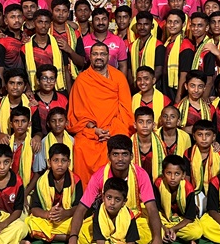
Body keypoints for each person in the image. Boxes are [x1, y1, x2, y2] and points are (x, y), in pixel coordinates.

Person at [64, 135, 164, 244]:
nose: (120, 159)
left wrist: (157, 239)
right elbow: (81, 209)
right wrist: (72, 240)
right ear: (109, 156)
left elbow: (151, 208)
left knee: (155, 231)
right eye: (115, 154)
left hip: (133, 222)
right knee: (82, 234)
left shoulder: (141, 174)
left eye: (124, 154)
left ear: (131, 156)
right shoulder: (99, 176)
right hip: (105, 223)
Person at [67, 42, 134, 185]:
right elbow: (78, 113)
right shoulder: (82, 80)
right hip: (91, 130)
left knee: (118, 145)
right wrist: (94, 129)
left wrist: (111, 129)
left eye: (102, 54)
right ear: (90, 57)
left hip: (114, 128)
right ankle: (86, 193)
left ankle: (115, 189)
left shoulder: (118, 77)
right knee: (80, 147)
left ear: (108, 57)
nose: (99, 57)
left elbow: (125, 109)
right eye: (95, 54)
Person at [78, 177, 158, 244]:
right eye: (109, 197)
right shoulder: (98, 214)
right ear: (103, 197)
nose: (112, 203)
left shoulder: (129, 215)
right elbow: (100, 243)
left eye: (117, 199)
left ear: (124, 202)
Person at [26, 143, 84, 243]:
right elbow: (34, 208)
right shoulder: (41, 182)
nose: (60, 164)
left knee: (83, 225)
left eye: (63, 160)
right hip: (48, 220)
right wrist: (48, 214)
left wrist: (65, 213)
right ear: (49, 162)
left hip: (67, 218)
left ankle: (48, 236)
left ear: (69, 162)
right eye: (55, 160)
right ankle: (66, 237)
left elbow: (80, 207)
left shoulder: (75, 180)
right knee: (30, 222)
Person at [0, 68, 43, 149]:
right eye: (12, 83)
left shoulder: (31, 106)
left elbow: (38, 130)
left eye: (19, 84)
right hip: (2, 148)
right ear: (6, 86)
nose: (15, 87)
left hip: (26, 148)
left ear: (24, 87)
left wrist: (37, 137)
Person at [153, 155, 202, 244]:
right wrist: (163, 227)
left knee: (197, 232)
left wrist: (173, 228)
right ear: (163, 173)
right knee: (148, 219)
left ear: (183, 175)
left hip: (181, 219)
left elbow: (189, 217)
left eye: (177, 174)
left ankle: (168, 234)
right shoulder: (158, 184)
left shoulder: (188, 188)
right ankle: (177, 236)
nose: (172, 177)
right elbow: (155, 211)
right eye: (168, 173)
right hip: (163, 218)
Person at [22, 9, 69, 92]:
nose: (43, 25)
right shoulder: (25, 48)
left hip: (57, 89)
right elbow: (24, 73)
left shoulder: (59, 45)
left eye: (46, 22)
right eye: (40, 22)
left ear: (50, 24)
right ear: (34, 23)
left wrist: (68, 93)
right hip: (35, 91)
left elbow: (65, 70)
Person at [82, 7, 128, 76]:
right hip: (90, 81)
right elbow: (81, 65)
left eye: (104, 19)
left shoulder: (118, 41)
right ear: (92, 22)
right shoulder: (84, 41)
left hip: (112, 81)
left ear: (108, 21)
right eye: (97, 19)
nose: (101, 22)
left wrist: (121, 81)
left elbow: (123, 66)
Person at [50, 0, 86, 83]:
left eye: (64, 11)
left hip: (71, 80)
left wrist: (69, 50)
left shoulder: (75, 34)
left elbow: (81, 63)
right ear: (52, 11)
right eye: (57, 10)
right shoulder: (45, 31)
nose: (61, 14)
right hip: (49, 79)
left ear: (68, 14)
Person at [162, 9, 194, 102]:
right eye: (169, 22)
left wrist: (178, 97)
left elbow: (184, 73)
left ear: (183, 25)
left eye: (176, 22)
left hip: (176, 90)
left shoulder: (186, 45)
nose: (172, 25)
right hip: (165, 85)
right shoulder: (167, 42)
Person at [184, 120, 220, 197]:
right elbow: (186, 177)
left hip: (216, 192)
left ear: (214, 137)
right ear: (194, 136)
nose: (204, 138)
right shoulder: (188, 153)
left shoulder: (219, 153)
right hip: (194, 192)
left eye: (208, 135)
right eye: (200, 135)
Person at [128, 11, 165, 88]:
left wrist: (146, 85)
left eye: (146, 24)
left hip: (153, 87)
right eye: (139, 24)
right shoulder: (131, 46)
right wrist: (134, 85)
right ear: (136, 26)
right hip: (135, 87)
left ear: (152, 26)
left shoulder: (158, 45)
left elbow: (159, 70)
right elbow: (129, 69)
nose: (142, 27)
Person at [131, 107, 166, 181]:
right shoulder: (129, 145)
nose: (145, 125)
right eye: (141, 122)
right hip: (134, 183)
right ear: (135, 125)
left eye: (148, 122)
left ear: (153, 125)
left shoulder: (161, 144)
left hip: (156, 184)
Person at [0, 4, 25, 82]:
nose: (17, 20)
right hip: (9, 84)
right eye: (12, 17)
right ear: (6, 21)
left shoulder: (26, 38)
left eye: (19, 16)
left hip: (25, 82)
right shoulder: (2, 42)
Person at [33, 64, 69, 136]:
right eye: (44, 78)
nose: (48, 81)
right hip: (38, 139)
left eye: (52, 78)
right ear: (38, 81)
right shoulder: (31, 99)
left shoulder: (63, 99)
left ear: (55, 81)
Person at [177, 70, 215, 135]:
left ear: (204, 88)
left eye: (200, 86)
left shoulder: (210, 109)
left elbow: (214, 131)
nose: (196, 90)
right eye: (192, 86)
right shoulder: (177, 108)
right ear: (186, 86)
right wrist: (184, 129)